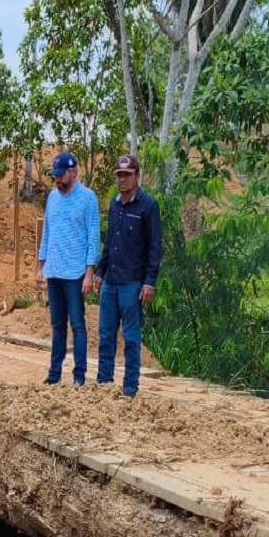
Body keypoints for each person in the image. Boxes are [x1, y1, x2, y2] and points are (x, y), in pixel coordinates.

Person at [94, 154, 162, 398]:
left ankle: (130, 388)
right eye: (119, 175)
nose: (122, 179)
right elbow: (110, 241)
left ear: (136, 176)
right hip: (110, 282)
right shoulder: (114, 204)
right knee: (105, 336)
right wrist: (100, 272)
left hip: (133, 283)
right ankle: (104, 383)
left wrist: (150, 281)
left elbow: (155, 246)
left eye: (127, 174)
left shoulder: (148, 206)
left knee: (131, 338)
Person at [36, 151, 99, 386]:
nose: (58, 179)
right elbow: (48, 233)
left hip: (75, 273)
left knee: (78, 325)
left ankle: (79, 375)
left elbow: (93, 236)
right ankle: (54, 373)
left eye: (61, 175)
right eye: (55, 176)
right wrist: (40, 266)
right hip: (54, 270)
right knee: (57, 324)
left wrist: (89, 272)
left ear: (74, 172)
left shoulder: (88, 198)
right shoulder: (52, 197)